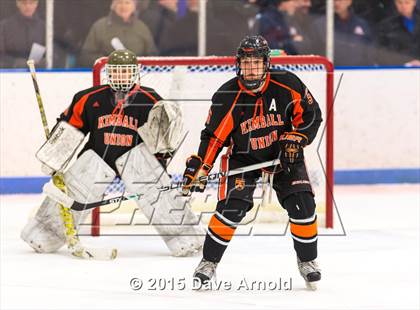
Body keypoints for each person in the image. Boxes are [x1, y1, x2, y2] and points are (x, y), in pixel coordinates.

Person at [21, 49, 203, 258]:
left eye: (126, 72)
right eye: (116, 72)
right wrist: (55, 154)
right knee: (74, 188)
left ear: (135, 73)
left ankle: (186, 237)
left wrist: (159, 167)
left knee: (158, 193)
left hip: (136, 161)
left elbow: (161, 143)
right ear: (109, 73)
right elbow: (69, 128)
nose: (121, 77)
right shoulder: (88, 98)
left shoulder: (151, 100)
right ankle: (43, 233)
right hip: (97, 159)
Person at [182, 35, 323, 289]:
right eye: (246, 63)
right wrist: (201, 168)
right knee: (231, 208)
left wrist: (297, 138)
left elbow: (312, 115)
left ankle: (308, 262)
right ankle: (208, 263)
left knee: (302, 204)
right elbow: (214, 137)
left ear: (266, 63)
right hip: (242, 159)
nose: (251, 69)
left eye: (256, 62)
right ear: (239, 64)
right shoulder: (227, 95)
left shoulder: (287, 83)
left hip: (284, 155)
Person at [79, 0, 156, 67]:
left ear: (134, 6)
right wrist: (110, 62)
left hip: (138, 75)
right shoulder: (99, 27)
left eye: (127, 2)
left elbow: (153, 56)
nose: (123, 6)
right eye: (119, 2)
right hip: (106, 75)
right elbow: (86, 56)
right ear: (113, 6)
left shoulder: (142, 27)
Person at [311, 0, 373, 66]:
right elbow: (314, 52)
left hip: (358, 72)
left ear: (349, 1)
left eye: (339, 0)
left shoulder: (362, 25)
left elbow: (369, 52)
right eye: (334, 1)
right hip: (329, 72)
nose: (336, 3)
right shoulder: (320, 25)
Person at [0, 0, 45, 68]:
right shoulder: (5, 26)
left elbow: (50, 52)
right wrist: (16, 63)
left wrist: (42, 62)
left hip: (35, 73)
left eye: (31, 3)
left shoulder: (43, 27)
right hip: (11, 74)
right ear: (18, 4)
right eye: (24, 3)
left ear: (36, 4)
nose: (27, 6)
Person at [376, 0, 420, 65]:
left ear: (414, 3)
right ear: (395, 3)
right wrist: (404, 63)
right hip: (397, 70)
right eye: (400, 3)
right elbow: (381, 52)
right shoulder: (386, 26)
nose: (403, 6)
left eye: (407, 2)